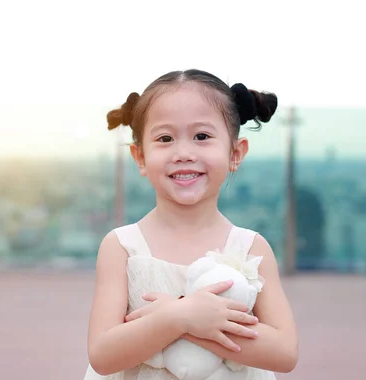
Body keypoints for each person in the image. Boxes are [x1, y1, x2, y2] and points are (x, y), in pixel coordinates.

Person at [83, 69, 298, 380]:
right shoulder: (121, 246)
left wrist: (189, 322)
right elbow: (103, 354)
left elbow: (284, 351)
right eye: (165, 138)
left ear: (235, 153)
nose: (183, 153)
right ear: (140, 157)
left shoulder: (251, 247)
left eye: (202, 136)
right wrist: (180, 318)